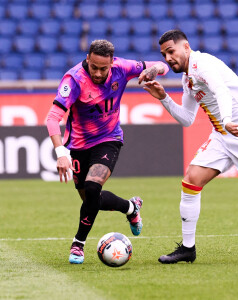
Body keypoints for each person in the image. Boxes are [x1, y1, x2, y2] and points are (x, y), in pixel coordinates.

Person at [143, 29, 238, 264]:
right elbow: (187, 119)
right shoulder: (187, 78)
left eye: (171, 51)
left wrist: (228, 121)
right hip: (222, 135)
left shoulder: (203, 65)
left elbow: (222, 92)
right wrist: (164, 98)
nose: (168, 58)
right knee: (191, 179)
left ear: (186, 47)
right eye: (164, 54)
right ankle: (188, 249)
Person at [46, 39, 168, 264]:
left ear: (112, 62)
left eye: (103, 68)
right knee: (91, 200)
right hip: (78, 146)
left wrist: (154, 69)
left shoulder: (123, 67)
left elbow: (163, 65)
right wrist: (61, 152)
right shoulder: (73, 80)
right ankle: (131, 207)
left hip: (108, 139)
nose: (99, 73)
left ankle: (78, 244)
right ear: (88, 59)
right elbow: (52, 118)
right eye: (94, 67)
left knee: (93, 187)